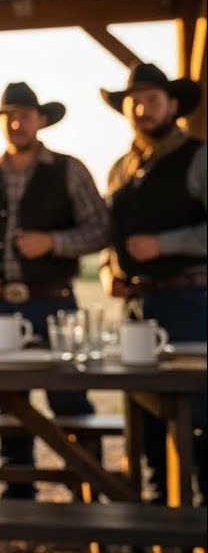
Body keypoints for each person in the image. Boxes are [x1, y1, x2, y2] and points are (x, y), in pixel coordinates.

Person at [0, 82, 110, 500]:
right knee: (9, 404)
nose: (17, 122)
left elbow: (101, 228)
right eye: (9, 115)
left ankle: (88, 488)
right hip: (1, 305)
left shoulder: (69, 169)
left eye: (25, 114)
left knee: (70, 401)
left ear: (41, 120)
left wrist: (53, 243)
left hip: (55, 302)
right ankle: (18, 489)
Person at [99, 62, 206, 504]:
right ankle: (161, 520)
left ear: (173, 105)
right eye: (135, 101)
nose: (143, 109)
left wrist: (165, 244)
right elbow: (111, 237)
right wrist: (110, 273)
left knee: (200, 418)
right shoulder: (120, 168)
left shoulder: (199, 156)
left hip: (193, 302)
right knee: (146, 420)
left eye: (153, 100)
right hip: (138, 309)